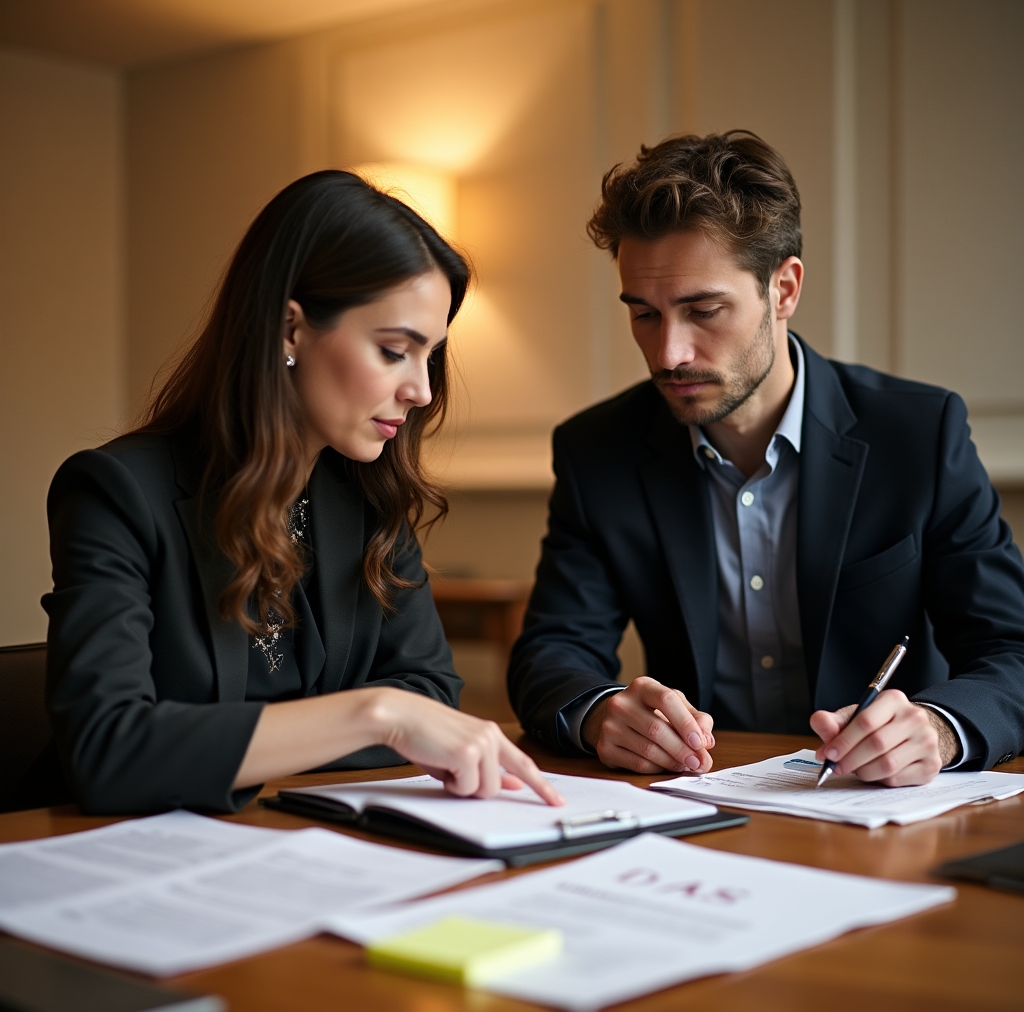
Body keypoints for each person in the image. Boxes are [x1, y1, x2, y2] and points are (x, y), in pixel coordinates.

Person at [509, 131, 1024, 785]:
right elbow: (551, 653)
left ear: (783, 290)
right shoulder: (596, 452)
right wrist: (600, 713)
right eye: (644, 314)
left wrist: (940, 729)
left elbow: (1012, 650)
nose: (668, 353)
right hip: (701, 809)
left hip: (879, 812)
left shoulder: (919, 434)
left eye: (703, 310)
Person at [43, 170, 562, 815]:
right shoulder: (116, 493)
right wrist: (376, 713)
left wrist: (371, 720)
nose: (422, 391)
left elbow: (430, 691)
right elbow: (107, 749)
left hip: (309, 840)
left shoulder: (370, 495)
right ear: (290, 330)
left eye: (430, 357)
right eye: (394, 350)